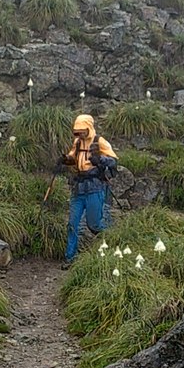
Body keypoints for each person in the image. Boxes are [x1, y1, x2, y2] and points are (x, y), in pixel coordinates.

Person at [59, 112, 118, 263]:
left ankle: (111, 244)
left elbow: (113, 161)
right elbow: (73, 157)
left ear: (88, 128)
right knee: (72, 223)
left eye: (81, 130)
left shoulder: (100, 142)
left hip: (95, 187)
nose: (79, 134)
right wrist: (66, 159)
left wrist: (101, 159)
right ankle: (70, 257)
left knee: (95, 224)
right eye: (77, 131)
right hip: (79, 188)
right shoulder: (77, 142)